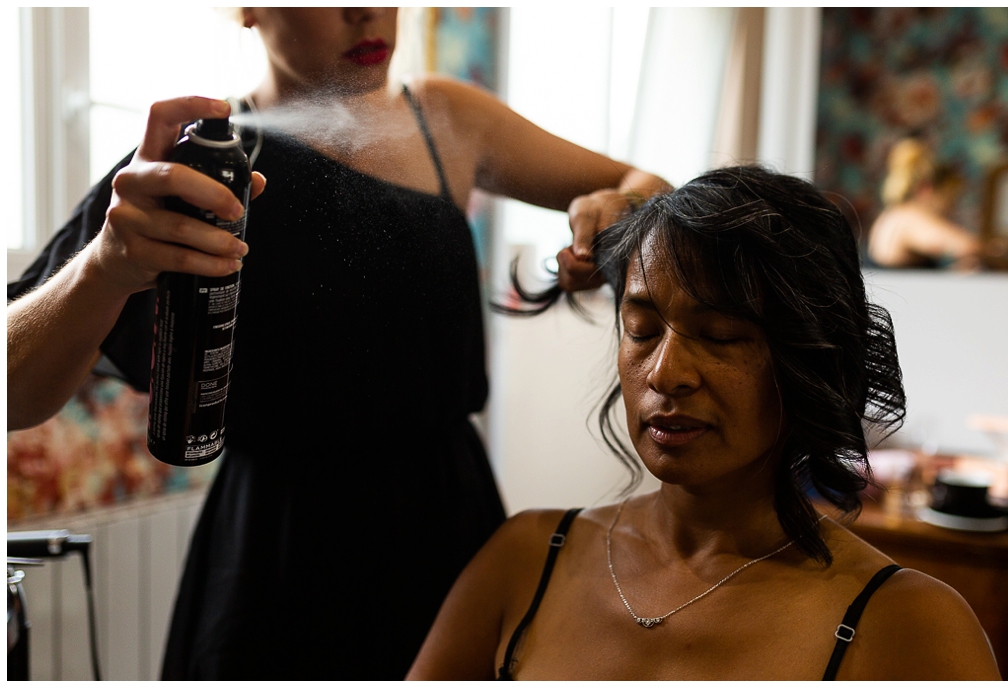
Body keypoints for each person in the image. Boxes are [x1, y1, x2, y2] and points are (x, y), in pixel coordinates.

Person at [6, 8, 670, 679]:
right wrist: (101, 268)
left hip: (444, 534)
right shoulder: (200, 163)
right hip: (275, 558)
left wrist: (615, 213)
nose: (366, 11)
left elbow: (650, 189)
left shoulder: (449, 116)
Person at [406, 166, 1002, 680]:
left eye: (719, 336)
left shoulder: (909, 626)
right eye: (641, 329)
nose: (665, 373)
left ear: (810, 361)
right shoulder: (526, 561)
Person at [867, 138, 983, 269]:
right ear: (927, 189)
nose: (952, 209)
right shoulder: (908, 217)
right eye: (950, 200)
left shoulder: (893, 214)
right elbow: (967, 246)